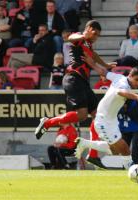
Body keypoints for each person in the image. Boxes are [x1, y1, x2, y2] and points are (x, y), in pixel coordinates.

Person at [35, 20, 113, 169]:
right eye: (94, 33)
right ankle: (47, 122)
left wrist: (106, 65)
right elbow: (70, 38)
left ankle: (94, 155)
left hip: (83, 82)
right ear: (88, 29)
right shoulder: (79, 38)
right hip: (73, 78)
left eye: (98, 35)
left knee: (98, 116)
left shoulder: (88, 44)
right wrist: (84, 34)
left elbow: (93, 55)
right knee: (81, 115)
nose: (95, 37)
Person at [74, 64, 138, 184]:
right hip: (103, 121)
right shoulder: (123, 84)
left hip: (111, 121)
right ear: (130, 75)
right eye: (136, 79)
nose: (137, 83)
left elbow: (103, 71)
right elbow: (121, 92)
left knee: (115, 151)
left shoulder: (118, 77)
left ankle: (84, 143)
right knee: (125, 150)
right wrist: (137, 97)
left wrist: (91, 61)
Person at [118, 99, 138, 165]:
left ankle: (135, 164)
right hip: (124, 128)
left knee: (135, 144)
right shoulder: (116, 105)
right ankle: (125, 164)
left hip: (136, 127)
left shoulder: (133, 103)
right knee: (125, 146)